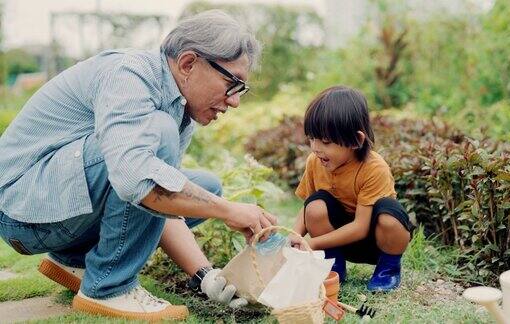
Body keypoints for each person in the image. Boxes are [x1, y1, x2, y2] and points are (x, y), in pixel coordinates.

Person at [0, 10, 277, 321]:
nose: (235, 101)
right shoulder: (129, 74)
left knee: (206, 186)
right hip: (22, 212)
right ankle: (108, 288)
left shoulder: (177, 107)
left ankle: (73, 258)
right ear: (188, 63)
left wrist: (205, 276)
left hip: (56, 204)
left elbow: (157, 201)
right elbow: (137, 182)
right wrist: (228, 210)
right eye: (232, 83)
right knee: (156, 144)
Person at [290, 86, 414, 292]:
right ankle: (333, 265)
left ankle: (388, 269)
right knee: (315, 204)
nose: (315, 147)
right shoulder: (316, 161)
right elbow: (307, 209)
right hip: (335, 241)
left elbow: (360, 227)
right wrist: (294, 235)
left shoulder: (374, 168)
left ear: (356, 140)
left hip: (374, 242)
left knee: (389, 214)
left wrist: (311, 244)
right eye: (312, 138)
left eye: (326, 141)